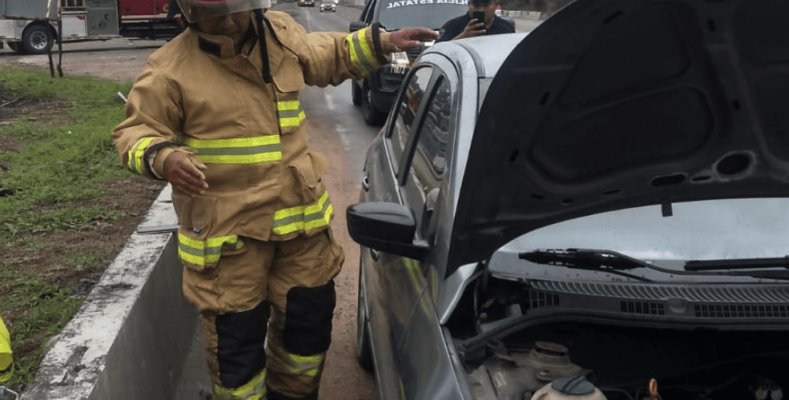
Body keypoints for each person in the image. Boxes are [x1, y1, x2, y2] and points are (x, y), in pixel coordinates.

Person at [111, 1, 436, 399]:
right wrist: (163, 157)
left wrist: (383, 42)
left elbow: (330, 53)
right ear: (185, 13)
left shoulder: (280, 34)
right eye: (209, 13)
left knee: (308, 327)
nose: (226, 22)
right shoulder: (169, 68)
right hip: (230, 240)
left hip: (300, 229)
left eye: (233, 9)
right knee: (237, 350)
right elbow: (134, 131)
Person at [437, 0, 514, 42]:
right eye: (476, 4)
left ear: (495, 4)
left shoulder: (506, 28)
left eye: (485, 4)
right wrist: (460, 38)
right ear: (469, 4)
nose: (481, 9)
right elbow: (435, 55)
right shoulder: (451, 26)